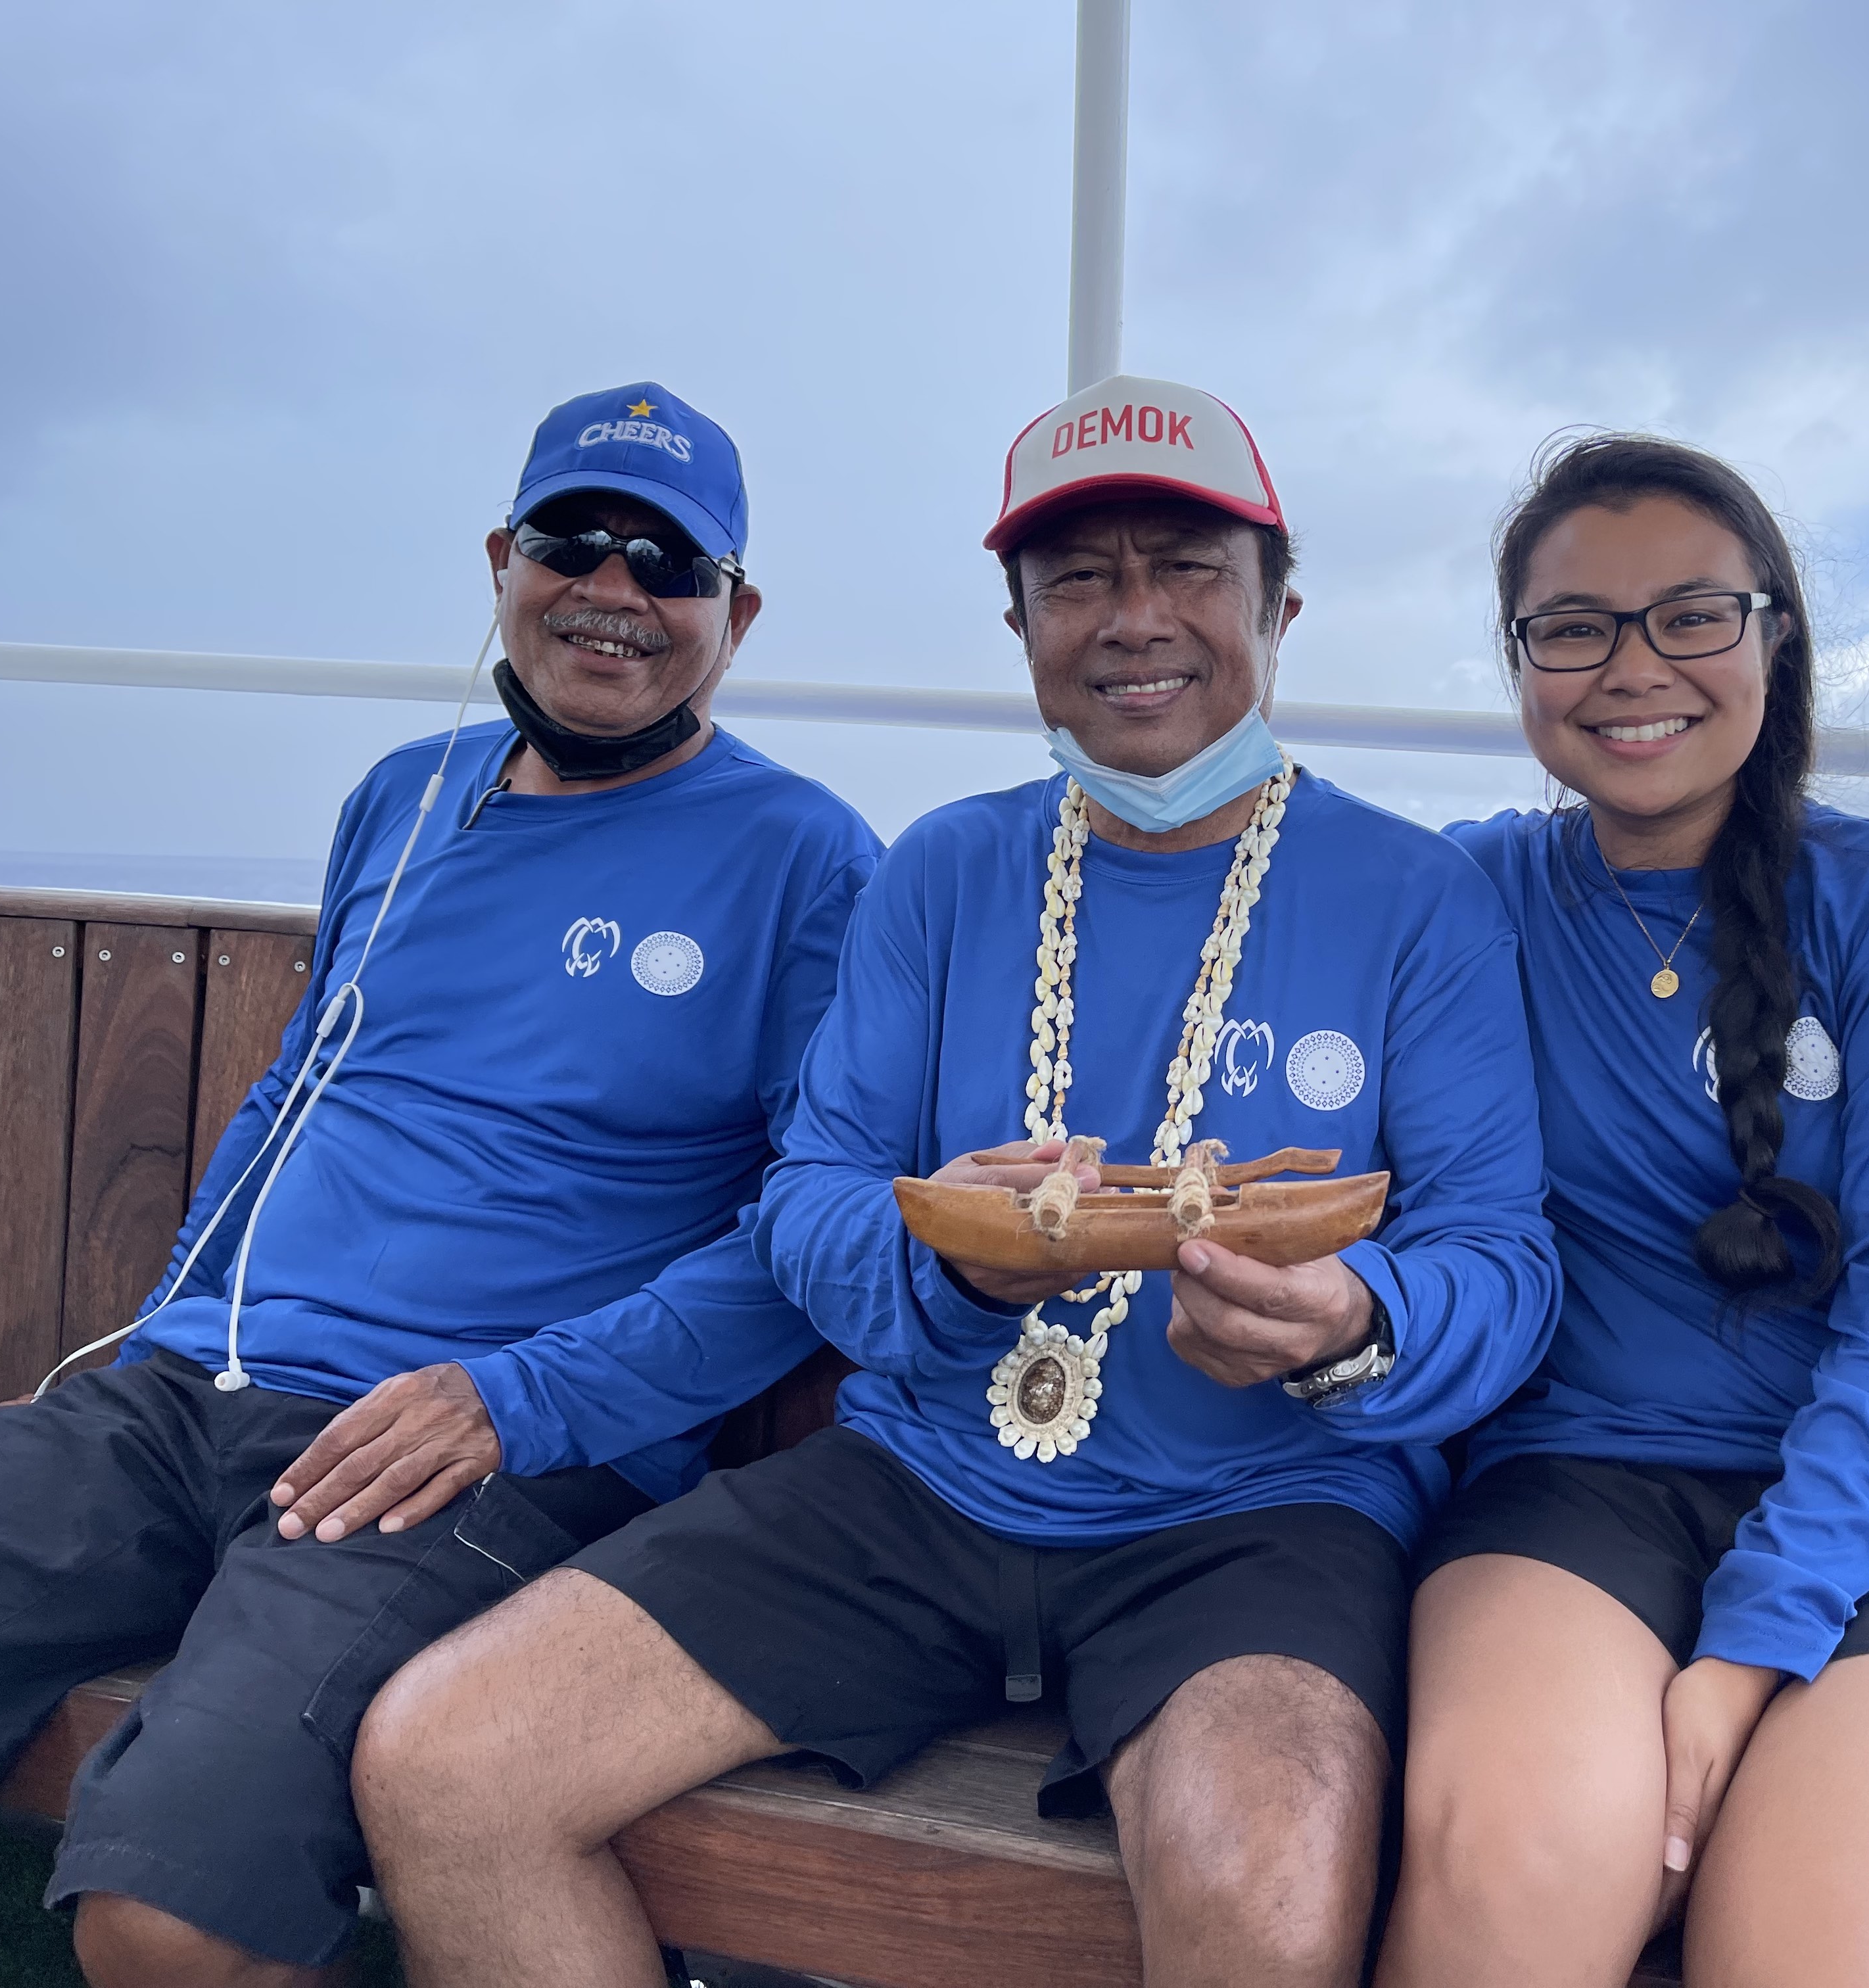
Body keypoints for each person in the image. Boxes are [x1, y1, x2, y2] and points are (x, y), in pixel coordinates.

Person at [354, 374, 1563, 1988]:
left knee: (1265, 1896)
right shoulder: (942, 869)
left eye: (1187, 570)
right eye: (1077, 580)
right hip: (911, 1481)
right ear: (1021, 627)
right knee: (444, 1761)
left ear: (1279, 609)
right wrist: (950, 1259)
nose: (1133, 619)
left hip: (1262, 1515)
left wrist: (1355, 1320)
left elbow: (1502, 1259)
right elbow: (813, 1194)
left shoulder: (1418, 896)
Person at [0, 383, 882, 1988]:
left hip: (476, 1449)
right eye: (572, 542)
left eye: (668, 563)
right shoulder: (402, 798)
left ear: (737, 614)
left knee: (170, 1924)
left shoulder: (809, 859)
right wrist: (162, 1332)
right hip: (183, 1399)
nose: (613, 588)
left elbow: (810, 1232)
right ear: (503, 562)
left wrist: (517, 1399)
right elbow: (303, 1090)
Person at [1374, 435, 1869, 1988]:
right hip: (1579, 1492)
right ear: (1520, 664)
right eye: (1574, 626)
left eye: (1692, 615)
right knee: (1518, 1888)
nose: (1632, 666)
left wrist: (1750, 1650)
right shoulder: (1466, 899)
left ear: (1773, 639)